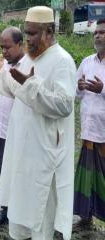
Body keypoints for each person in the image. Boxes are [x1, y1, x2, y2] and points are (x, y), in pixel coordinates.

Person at [0, 6, 76, 239]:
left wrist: (31, 85)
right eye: (26, 33)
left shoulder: (62, 61)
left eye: (33, 33)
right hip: (21, 150)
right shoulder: (29, 59)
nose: (28, 38)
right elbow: (17, 90)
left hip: (43, 154)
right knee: (20, 211)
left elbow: (64, 105)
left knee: (40, 215)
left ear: (49, 31)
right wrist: (2, 75)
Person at [0, 27, 24, 225]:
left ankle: (19, 214)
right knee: (3, 171)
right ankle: (5, 211)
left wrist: (2, 77)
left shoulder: (27, 67)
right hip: (2, 129)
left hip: (18, 132)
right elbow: (0, 96)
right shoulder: (4, 65)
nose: (4, 52)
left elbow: (25, 97)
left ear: (20, 44)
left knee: (18, 173)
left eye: (7, 47)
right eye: (1, 47)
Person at [73, 18, 105, 227]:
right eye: (96, 33)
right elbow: (75, 94)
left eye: (103, 32)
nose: (98, 36)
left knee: (103, 179)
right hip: (88, 132)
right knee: (86, 177)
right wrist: (80, 87)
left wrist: (101, 89)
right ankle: (86, 217)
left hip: (104, 134)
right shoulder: (86, 62)